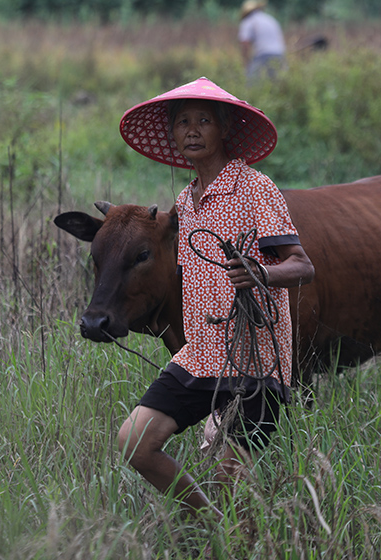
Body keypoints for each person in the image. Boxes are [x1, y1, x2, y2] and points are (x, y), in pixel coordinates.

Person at [117, 77, 315, 520]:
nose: (191, 130)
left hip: (254, 360)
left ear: (223, 129)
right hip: (201, 355)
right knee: (135, 443)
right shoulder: (186, 203)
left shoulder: (254, 187)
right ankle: (210, 523)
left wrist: (260, 272)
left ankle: (229, 535)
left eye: (203, 121)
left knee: (231, 482)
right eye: (182, 122)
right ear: (171, 134)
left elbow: (303, 266)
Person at [238, 0, 286, 82]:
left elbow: (245, 42)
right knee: (276, 84)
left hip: (263, 55)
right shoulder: (270, 19)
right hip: (279, 55)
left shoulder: (248, 21)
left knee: (252, 82)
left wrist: (246, 62)